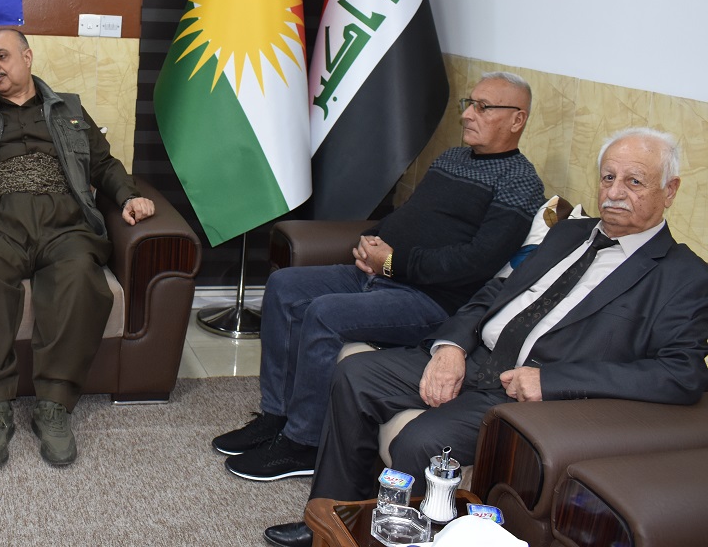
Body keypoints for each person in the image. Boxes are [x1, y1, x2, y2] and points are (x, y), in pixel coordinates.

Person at [263, 127, 708, 547]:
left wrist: (552, 382)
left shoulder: (684, 276)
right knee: (357, 373)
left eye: (634, 181)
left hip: (527, 394)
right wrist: (451, 346)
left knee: (419, 441)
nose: (614, 192)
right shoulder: (570, 233)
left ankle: (391, 537)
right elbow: (495, 293)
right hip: (477, 356)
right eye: (608, 177)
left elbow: (682, 374)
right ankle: (333, 519)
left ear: (670, 191)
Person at [214, 72, 545, 482]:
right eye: (469, 103)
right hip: (384, 276)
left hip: (434, 301)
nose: (467, 115)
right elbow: (413, 216)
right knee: (284, 286)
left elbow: (476, 263)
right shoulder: (451, 158)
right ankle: (276, 416)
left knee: (325, 313)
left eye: (483, 107)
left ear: (517, 119)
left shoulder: (520, 182)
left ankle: (305, 443)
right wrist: (371, 242)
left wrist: (392, 263)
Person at [0, 28, 155, 470]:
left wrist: (129, 196)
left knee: (79, 277)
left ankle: (53, 405)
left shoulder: (69, 110)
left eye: (1, 56)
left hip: (65, 223)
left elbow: (103, 164)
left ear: (27, 57)